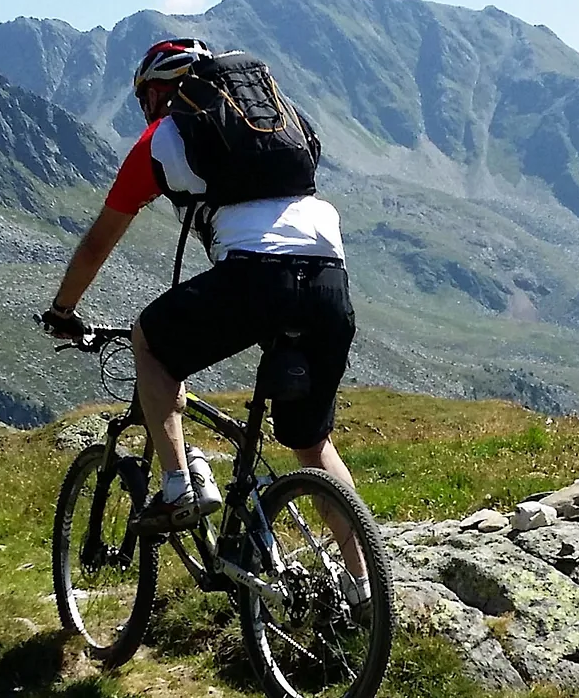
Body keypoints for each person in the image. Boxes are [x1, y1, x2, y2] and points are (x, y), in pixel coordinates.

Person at [38, 39, 364, 594]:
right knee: (311, 443)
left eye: (145, 99)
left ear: (158, 92)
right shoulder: (278, 125)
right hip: (330, 278)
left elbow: (97, 244)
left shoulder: (162, 138)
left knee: (151, 342)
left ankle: (177, 487)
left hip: (256, 277)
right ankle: (365, 589)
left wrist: (64, 309)